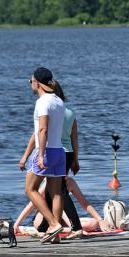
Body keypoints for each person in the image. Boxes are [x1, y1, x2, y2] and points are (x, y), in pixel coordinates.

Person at [19, 67, 66, 243]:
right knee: (56, 193)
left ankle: (53, 224)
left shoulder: (42, 102)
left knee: (30, 189)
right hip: (58, 151)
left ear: (37, 83)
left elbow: (43, 129)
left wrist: (39, 155)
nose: (30, 84)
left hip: (45, 151)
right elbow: (41, 130)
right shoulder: (59, 101)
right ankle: (56, 237)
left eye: (30, 81)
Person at [14, 177, 112, 236]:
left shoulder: (70, 182)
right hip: (43, 219)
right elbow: (31, 205)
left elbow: (84, 203)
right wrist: (16, 225)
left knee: (93, 223)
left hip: (62, 219)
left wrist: (100, 220)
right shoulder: (49, 182)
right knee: (59, 203)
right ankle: (72, 229)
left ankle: (68, 229)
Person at [49, 79, 82, 232]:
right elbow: (74, 138)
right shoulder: (70, 113)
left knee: (60, 190)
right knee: (54, 188)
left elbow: (40, 133)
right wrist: (76, 159)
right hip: (68, 152)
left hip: (55, 151)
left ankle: (76, 226)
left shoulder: (50, 111)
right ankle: (46, 224)